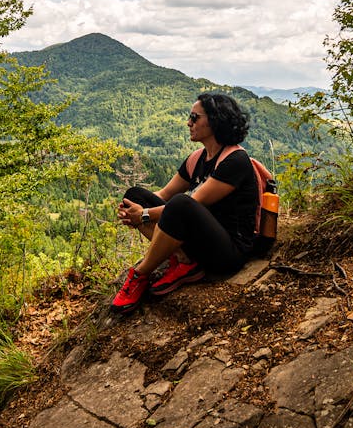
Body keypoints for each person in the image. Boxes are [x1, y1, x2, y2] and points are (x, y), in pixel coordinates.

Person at [111, 92, 259, 313]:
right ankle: (185, 260)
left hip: (228, 252)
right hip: (200, 243)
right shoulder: (197, 158)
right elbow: (165, 193)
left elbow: (191, 203)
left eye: (194, 117)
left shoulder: (235, 160)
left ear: (215, 120)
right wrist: (133, 208)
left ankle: (140, 274)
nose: (189, 122)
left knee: (181, 203)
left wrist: (142, 215)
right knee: (134, 195)